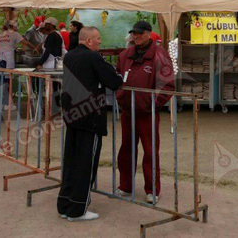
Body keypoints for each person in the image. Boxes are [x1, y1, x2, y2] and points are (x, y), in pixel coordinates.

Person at [57, 26, 123, 221]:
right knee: (86, 163)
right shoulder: (93, 57)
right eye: (98, 38)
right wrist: (118, 76)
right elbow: (114, 82)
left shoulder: (69, 56)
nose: (100, 42)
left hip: (73, 115)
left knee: (71, 160)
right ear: (88, 41)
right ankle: (78, 209)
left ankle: (64, 204)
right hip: (90, 118)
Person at [115, 20, 175, 204]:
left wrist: (152, 105)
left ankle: (152, 190)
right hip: (127, 112)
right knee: (126, 150)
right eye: (134, 33)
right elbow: (117, 77)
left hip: (147, 114)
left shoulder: (160, 55)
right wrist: (121, 96)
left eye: (141, 33)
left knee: (150, 152)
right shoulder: (125, 55)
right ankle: (125, 186)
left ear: (149, 34)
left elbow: (168, 85)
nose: (137, 36)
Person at [0, 21, 23, 110]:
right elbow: (24, 42)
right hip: (8, 59)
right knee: (7, 81)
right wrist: (34, 47)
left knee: (0, 80)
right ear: (13, 27)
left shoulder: (0, 34)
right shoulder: (14, 34)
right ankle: (6, 103)